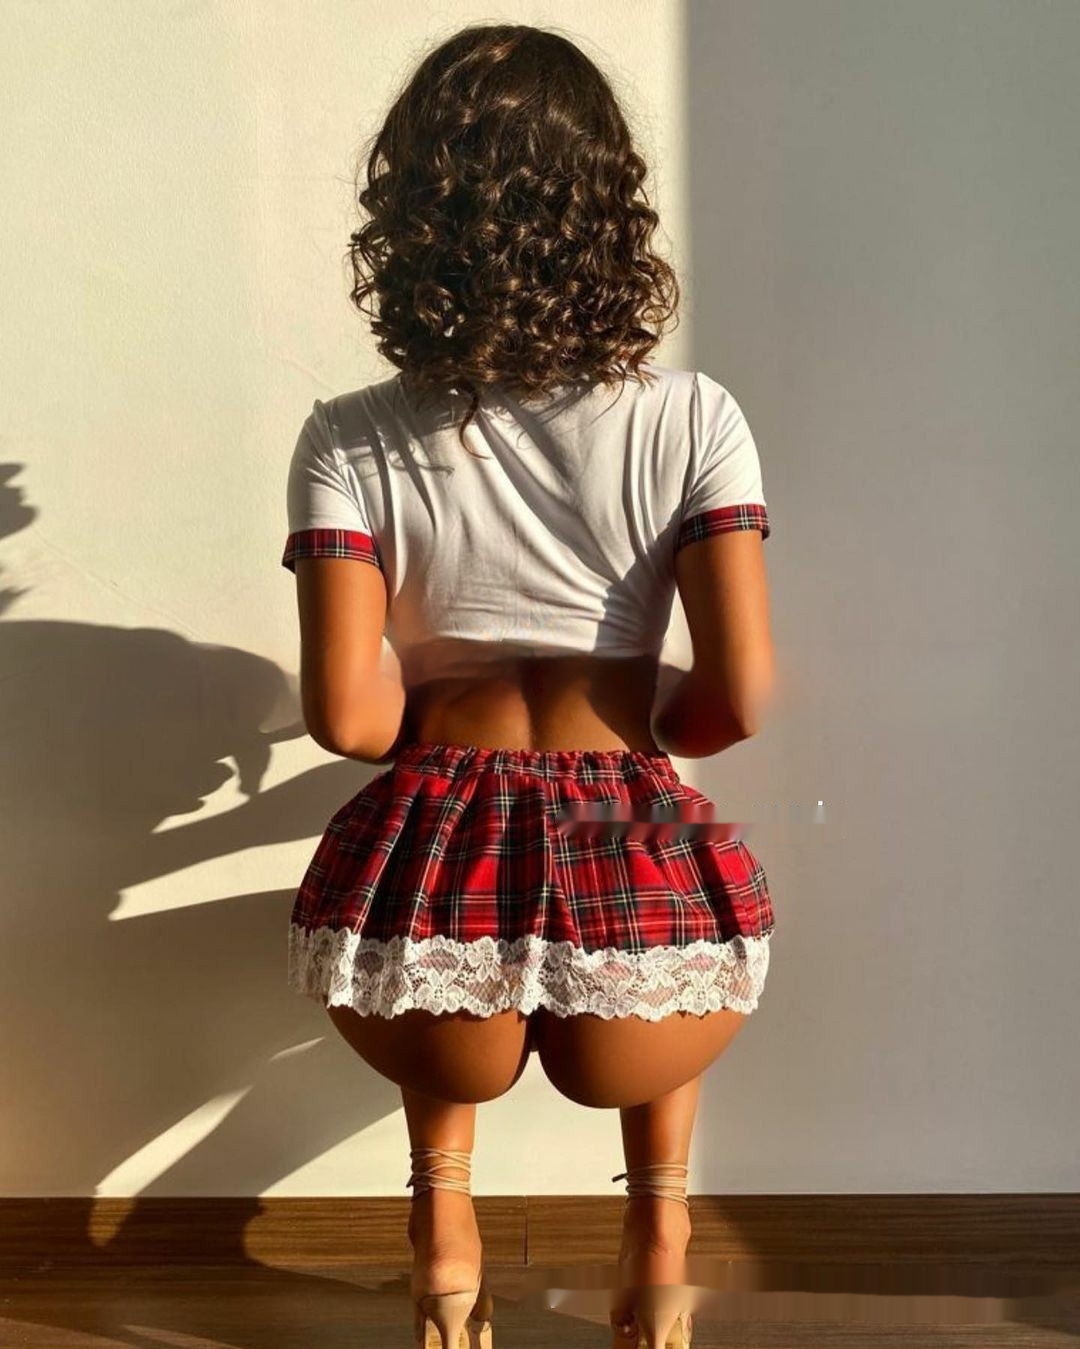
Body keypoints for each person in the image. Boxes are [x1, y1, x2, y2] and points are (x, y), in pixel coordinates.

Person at [281, 22, 776, 1349]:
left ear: (414, 211)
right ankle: (659, 1234)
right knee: (670, 855)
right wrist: (635, 733)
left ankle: (442, 1229)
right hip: (628, 852)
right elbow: (740, 697)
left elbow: (348, 720)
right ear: (607, 202)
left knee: (431, 899)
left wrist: (434, 720)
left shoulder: (348, 436)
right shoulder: (695, 419)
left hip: (437, 873)